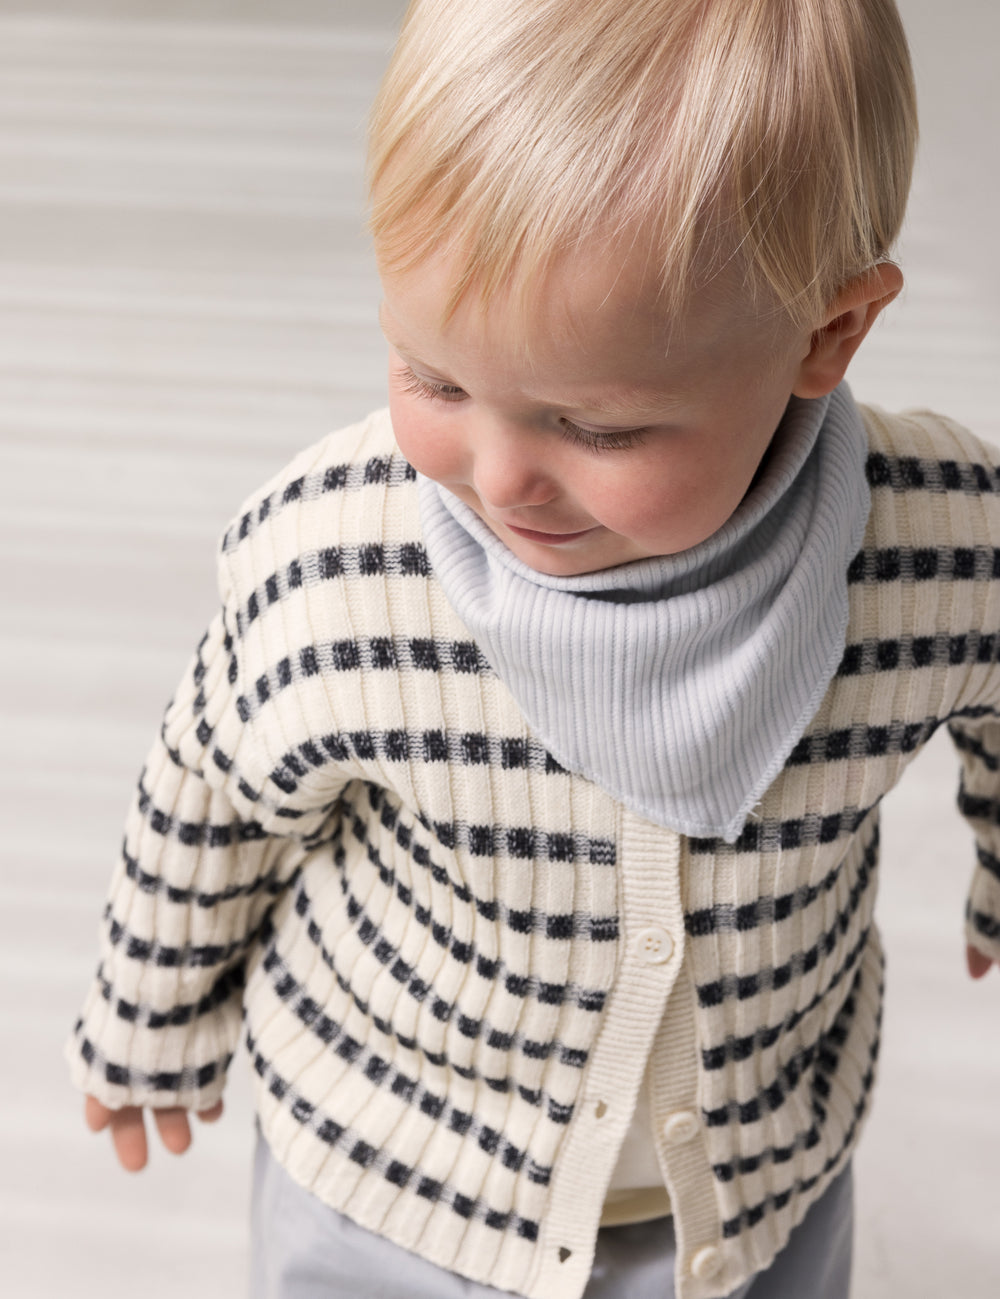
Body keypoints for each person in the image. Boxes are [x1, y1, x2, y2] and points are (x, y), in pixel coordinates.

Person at [67, 1, 1000, 1296]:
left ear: (826, 335)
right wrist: (149, 1014)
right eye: (435, 380)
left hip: (753, 1190)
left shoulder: (936, 544)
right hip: (394, 1179)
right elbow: (208, 797)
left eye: (598, 427)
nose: (499, 478)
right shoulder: (341, 565)